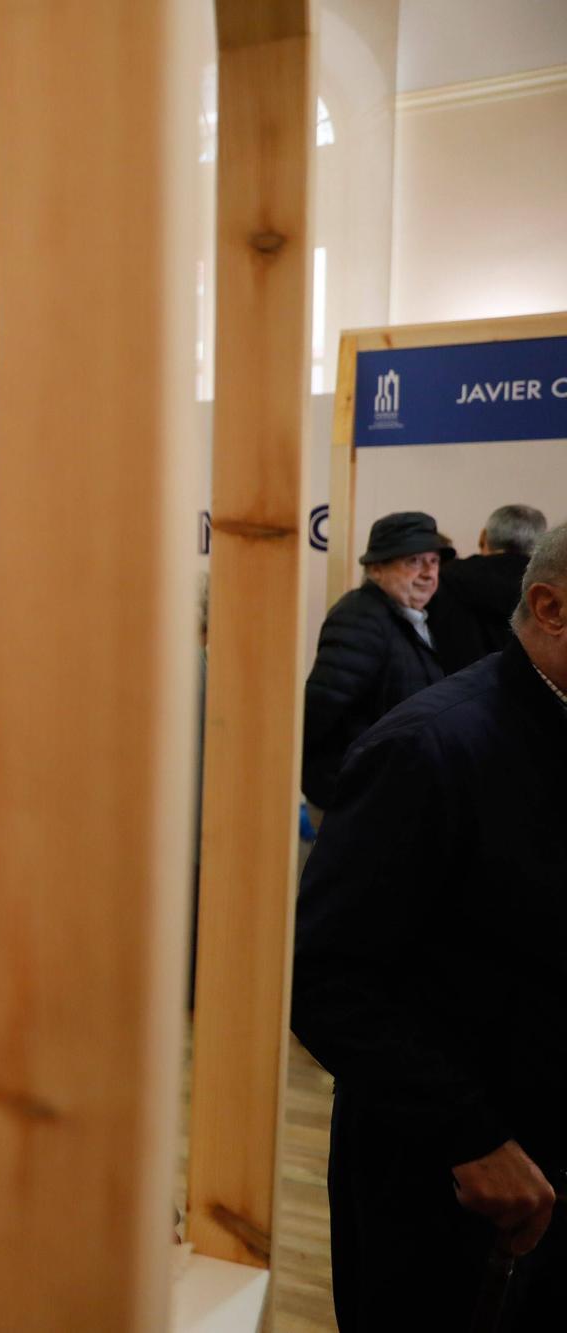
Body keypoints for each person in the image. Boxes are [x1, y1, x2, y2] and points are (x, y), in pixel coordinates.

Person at [292, 522, 567, 1331]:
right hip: (449, 1196)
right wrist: (469, 1134)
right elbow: (324, 977)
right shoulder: (429, 749)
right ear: (550, 606)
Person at [302, 510, 446, 814]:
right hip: (359, 796)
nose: (428, 573)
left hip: (384, 792)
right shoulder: (361, 618)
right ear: (377, 569)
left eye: (433, 561)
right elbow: (321, 706)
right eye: (414, 562)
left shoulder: (407, 619)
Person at [430, 503, 547, 674]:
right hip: (529, 692)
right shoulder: (549, 587)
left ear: (483, 537)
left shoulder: (443, 577)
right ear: (540, 544)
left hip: (454, 688)